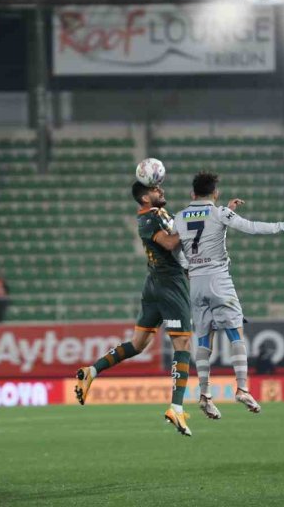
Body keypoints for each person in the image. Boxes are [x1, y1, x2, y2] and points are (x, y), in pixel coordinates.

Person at [173, 171, 284, 420]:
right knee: (235, 332)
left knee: (203, 339)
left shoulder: (179, 217)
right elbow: (250, 227)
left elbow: (176, 251)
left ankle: (204, 394)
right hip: (218, 280)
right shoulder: (220, 212)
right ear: (215, 193)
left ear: (192, 194)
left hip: (195, 282)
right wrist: (283, 225)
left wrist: (188, 267)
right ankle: (242, 388)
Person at [74, 181, 195, 436]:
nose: (161, 190)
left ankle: (91, 370)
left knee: (139, 344)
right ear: (144, 199)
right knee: (182, 344)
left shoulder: (159, 214)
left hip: (154, 284)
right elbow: (170, 243)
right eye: (155, 190)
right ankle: (176, 407)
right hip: (169, 286)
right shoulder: (147, 220)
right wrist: (190, 228)